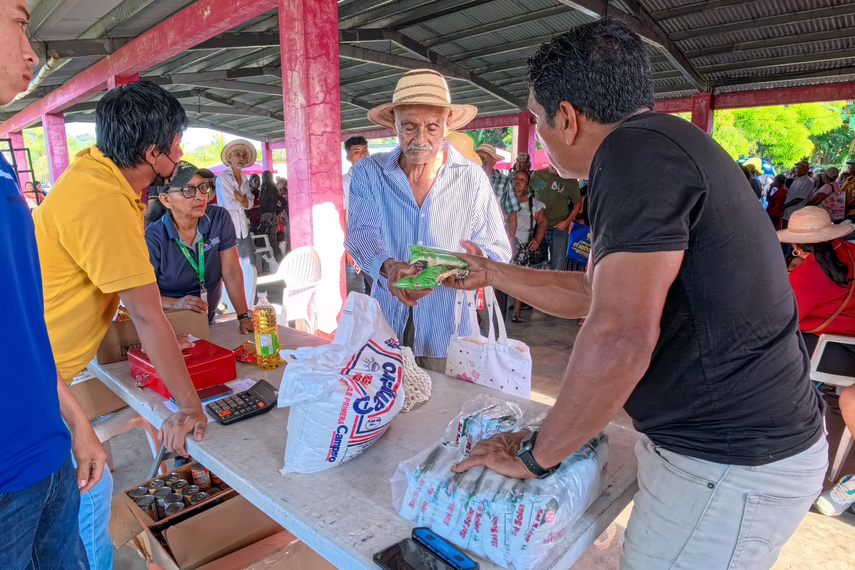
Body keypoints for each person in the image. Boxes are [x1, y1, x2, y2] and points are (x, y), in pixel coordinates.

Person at [444, 19, 826, 570]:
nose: (539, 134)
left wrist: (536, 455)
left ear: (567, 118)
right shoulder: (663, 143)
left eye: (536, 119)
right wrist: (493, 273)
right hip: (733, 452)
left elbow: (620, 335)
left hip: (728, 463)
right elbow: (595, 294)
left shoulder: (630, 156)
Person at [34, 80, 210, 570]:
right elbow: (148, 315)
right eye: (177, 145)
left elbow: (115, 289)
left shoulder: (93, 171)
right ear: (153, 154)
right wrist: (189, 406)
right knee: (88, 497)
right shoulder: (105, 201)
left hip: (44, 370)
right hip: (35, 378)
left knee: (88, 488)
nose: (181, 155)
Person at [0, 2, 91, 568]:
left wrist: (76, 421)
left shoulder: (4, 170)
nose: (32, 53)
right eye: (17, 21)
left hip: (48, 455)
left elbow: (22, 326)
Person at [345, 69, 512, 373]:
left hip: (447, 327)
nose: (421, 139)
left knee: (444, 400)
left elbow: (497, 248)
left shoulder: (471, 177)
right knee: (387, 395)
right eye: (409, 127)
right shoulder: (369, 172)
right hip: (386, 321)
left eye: (432, 127)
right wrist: (388, 266)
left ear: (448, 123)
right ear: (394, 124)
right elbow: (361, 234)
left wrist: (476, 261)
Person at [145, 161, 255, 333]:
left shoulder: (219, 218)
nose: (200, 196)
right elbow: (142, 296)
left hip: (207, 317)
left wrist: (243, 315)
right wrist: (177, 303)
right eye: (188, 190)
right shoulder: (153, 238)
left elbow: (232, 270)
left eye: (203, 187)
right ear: (166, 200)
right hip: (168, 323)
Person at [778, 206, 855, 372]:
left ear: (796, 246)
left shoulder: (807, 276)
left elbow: (778, 321)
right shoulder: (849, 250)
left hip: (840, 352)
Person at [508, 169, 547, 323]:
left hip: (521, 248)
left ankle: (517, 310)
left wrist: (537, 239)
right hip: (501, 244)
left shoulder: (533, 204)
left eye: (522, 180)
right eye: (515, 178)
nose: (517, 182)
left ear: (527, 185)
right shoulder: (501, 198)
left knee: (518, 280)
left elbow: (543, 222)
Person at [530, 164, 583, 270]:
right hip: (538, 227)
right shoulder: (536, 175)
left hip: (559, 227)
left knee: (558, 265)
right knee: (534, 262)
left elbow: (578, 203)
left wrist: (567, 221)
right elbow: (529, 196)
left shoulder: (570, 179)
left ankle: (554, 280)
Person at [215, 139, 257, 267]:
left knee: (250, 263)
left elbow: (250, 204)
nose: (241, 158)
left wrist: (241, 198)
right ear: (230, 157)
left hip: (243, 227)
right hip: (229, 227)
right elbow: (229, 205)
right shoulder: (223, 177)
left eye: (244, 156)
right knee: (233, 266)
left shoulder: (244, 178)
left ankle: (249, 281)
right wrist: (244, 201)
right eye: (237, 154)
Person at [476, 143, 520, 246]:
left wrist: (511, 239)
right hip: (470, 235)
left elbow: (512, 215)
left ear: (494, 161)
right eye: (478, 158)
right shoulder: (470, 178)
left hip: (495, 236)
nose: (480, 161)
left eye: (484, 158)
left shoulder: (504, 182)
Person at [258, 170, 286, 261]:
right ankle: (277, 261)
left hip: (267, 219)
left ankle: (276, 262)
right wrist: (276, 211)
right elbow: (284, 203)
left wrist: (252, 217)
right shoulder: (274, 189)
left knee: (269, 243)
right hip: (273, 218)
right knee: (272, 242)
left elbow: (262, 207)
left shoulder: (266, 190)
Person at [782, 159, 815, 228]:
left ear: (806, 169)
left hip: (795, 211)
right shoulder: (796, 179)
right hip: (788, 211)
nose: (797, 170)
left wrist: (784, 206)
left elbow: (799, 198)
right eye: (797, 168)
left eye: (800, 168)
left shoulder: (807, 182)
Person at [343, 135, 369, 216]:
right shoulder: (342, 183)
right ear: (348, 157)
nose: (362, 155)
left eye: (365, 150)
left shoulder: (378, 178)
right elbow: (341, 214)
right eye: (356, 152)